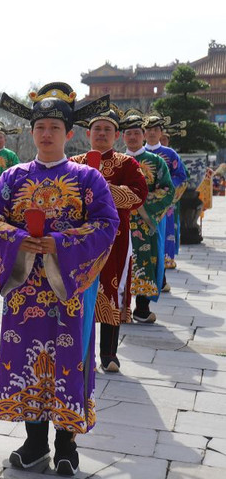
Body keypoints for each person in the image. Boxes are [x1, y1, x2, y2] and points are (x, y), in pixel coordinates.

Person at [0, 82, 117, 475]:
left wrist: (59, 243)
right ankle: (34, 440)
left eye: (54, 128)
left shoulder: (87, 179)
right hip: (24, 289)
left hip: (68, 289)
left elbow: (107, 224)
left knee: (69, 361)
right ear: (31, 131)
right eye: (40, 126)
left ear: (68, 133)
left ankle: (66, 445)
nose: (46, 134)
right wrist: (22, 239)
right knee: (25, 358)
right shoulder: (12, 177)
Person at [70, 107, 148, 372]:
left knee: (110, 289)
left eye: (107, 130)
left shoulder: (127, 164)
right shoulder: (73, 162)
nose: (101, 134)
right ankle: (79, 353)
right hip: (77, 240)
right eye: (97, 129)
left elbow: (137, 196)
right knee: (76, 292)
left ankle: (109, 355)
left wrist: (101, 185)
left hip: (112, 239)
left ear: (116, 135)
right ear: (88, 133)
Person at [121, 109, 174, 325]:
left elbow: (167, 190)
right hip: (120, 223)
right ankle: (120, 309)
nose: (132, 137)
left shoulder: (155, 161)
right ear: (122, 136)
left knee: (145, 261)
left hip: (143, 223)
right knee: (120, 263)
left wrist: (140, 203)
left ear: (143, 134)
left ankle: (141, 309)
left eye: (136, 132)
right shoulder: (117, 160)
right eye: (128, 133)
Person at [143, 112, 186, 274]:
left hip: (163, 204)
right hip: (141, 204)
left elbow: (180, 175)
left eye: (156, 129)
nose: (152, 132)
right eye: (148, 129)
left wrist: (166, 190)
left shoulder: (170, 154)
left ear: (161, 133)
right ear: (144, 133)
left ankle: (165, 261)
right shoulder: (135, 154)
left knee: (165, 232)